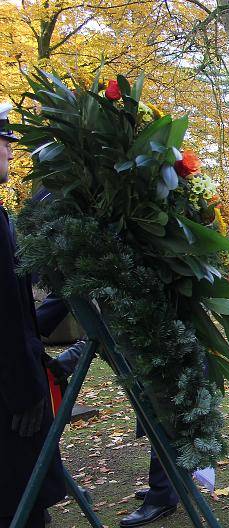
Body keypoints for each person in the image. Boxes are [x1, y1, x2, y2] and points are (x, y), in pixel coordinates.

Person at [0, 107, 67, 528]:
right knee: (19, 508)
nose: (9, 149)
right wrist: (26, 391)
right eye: (3, 140)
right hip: (9, 400)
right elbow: (6, 317)